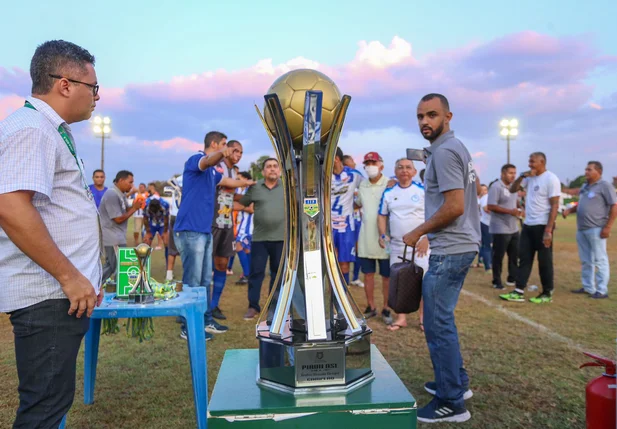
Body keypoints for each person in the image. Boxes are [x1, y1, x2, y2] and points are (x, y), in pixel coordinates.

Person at [0, 40, 103, 428]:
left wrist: (87, 276)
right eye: (92, 88)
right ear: (64, 84)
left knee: (51, 402)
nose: (97, 97)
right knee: (43, 409)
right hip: (47, 296)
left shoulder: (48, 130)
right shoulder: (32, 129)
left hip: (61, 293)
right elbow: (10, 205)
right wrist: (70, 276)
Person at [402, 93, 479, 423]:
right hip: (460, 245)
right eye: (420, 116)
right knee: (442, 320)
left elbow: (454, 206)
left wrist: (417, 231)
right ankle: (456, 383)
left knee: (436, 323)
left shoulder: (446, 151)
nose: (424, 122)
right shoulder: (451, 148)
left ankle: (451, 402)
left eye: (431, 115)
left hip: (451, 248)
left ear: (448, 116)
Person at [173, 131, 253, 340]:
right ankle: (187, 325)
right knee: (192, 279)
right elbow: (208, 160)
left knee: (204, 279)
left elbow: (227, 181)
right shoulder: (196, 160)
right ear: (215, 144)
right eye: (225, 144)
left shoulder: (213, 173)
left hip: (204, 230)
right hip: (190, 230)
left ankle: (204, 319)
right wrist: (222, 153)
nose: (227, 149)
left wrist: (247, 184)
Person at [500, 152, 561, 304]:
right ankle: (519, 291)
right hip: (528, 225)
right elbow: (513, 189)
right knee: (524, 259)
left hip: (543, 226)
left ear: (542, 162)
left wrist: (548, 230)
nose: (530, 164)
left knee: (544, 261)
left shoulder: (551, 179)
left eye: (532, 162)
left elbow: (554, 205)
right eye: (529, 161)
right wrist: (522, 176)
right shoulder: (529, 178)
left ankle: (547, 293)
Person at [378, 158, 429, 332]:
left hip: (420, 246)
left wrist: (426, 238)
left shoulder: (422, 191)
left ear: (414, 172)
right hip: (398, 246)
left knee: (422, 281)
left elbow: (434, 215)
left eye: (408, 167)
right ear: (395, 170)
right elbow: (382, 215)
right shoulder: (389, 193)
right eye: (400, 167)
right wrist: (383, 235)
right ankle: (401, 318)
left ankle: (423, 319)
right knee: (399, 281)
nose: (404, 170)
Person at [238, 158, 285, 320]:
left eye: (275, 166)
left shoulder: (288, 188)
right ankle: (253, 306)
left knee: (277, 274)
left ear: (279, 170)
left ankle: (275, 306)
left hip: (281, 239)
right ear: (263, 171)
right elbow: (242, 203)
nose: (272, 169)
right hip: (259, 239)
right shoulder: (255, 187)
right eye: (268, 167)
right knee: (256, 273)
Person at [564, 161, 617, 299]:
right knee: (586, 260)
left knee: (600, 259)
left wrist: (608, 227)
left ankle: (601, 290)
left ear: (598, 171)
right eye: (586, 169)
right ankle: (588, 287)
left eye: (589, 170)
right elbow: (581, 204)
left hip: (597, 228)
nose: (586, 172)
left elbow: (614, 206)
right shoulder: (585, 186)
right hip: (582, 229)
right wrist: (570, 210)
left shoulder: (605, 186)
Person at [211, 140, 245, 320]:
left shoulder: (234, 171)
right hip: (212, 222)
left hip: (227, 223)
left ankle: (213, 305)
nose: (238, 155)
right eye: (236, 151)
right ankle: (195, 305)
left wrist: (254, 196)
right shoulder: (219, 166)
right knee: (202, 267)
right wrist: (246, 183)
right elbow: (222, 186)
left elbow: (232, 194)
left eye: (241, 152)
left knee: (222, 265)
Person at [355, 152, 391, 323]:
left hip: (385, 238)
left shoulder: (390, 184)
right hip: (366, 238)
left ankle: (387, 307)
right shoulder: (362, 185)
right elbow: (358, 204)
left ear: (381, 165)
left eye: (373, 162)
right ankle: (371, 306)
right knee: (368, 274)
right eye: (367, 163)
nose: (370, 166)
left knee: (387, 276)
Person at [99, 170, 141, 283]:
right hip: (112, 237)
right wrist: (135, 208)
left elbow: (125, 210)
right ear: (121, 180)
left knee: (113, 265)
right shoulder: (111, 194)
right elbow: (117, 219)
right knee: (116, 266)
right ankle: (95, 285)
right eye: (130, 182)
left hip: (118, 236)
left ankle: (95, 285)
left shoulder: (120, 194)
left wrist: (134, 204)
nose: (131, 185)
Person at [331, 147, 363, 285]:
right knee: (331, 263)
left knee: (344, 264)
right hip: (328, 225)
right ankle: (330, 294)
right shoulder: (322, 177)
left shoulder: (354, 175)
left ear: (336, 158)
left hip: (347, 225)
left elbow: (368, 189)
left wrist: (357, 205)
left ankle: (343, 296)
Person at [487, 164, 520, 290]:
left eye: (514, 173)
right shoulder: (496, 187)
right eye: (510, 173)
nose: (513, 175)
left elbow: (513, 202)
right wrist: (510, 211)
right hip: (500, 227)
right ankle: (497, 280)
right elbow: (491, 206)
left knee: (514, 255)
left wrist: (519, 209)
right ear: (503, 174)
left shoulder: (514, 187)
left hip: (513, 227)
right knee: (498, 256)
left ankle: (512, 278)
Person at [343, 154, 364, 287]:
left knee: (356, 248)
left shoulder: (357, 176)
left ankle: (355, 277)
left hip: (356, 217)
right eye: (352, 160)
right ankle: (349, 278)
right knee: (351, 249)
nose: (354, 163)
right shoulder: (348, 177)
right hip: (348, 218)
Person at [234, 172, 254, 285]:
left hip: (248, 226)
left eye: (239, 179)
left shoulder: (249, 191)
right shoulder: (240, 191)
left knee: (239, 246)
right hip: (242, 225)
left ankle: (247, 274)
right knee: (246, 249)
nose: (237, 181)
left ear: (246, 179)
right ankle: (249, 273)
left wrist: (237, 206)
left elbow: (252, 209)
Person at [165, 175, 182, 281]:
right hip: (184, 216)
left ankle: (169, 273)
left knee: (172, 246)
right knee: (189, 246)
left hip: (174, 215)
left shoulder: (177, 179)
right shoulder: (191, 177)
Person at [478, 184, 492, 273]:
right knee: (487, 245)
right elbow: (486, 209)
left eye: (485, 190)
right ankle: (488, 266)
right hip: (485, 224)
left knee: (486, 245)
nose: (484, 191)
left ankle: (483, 261)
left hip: (490, 224)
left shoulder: (487, 197)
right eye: (482, 189)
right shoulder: (485, 198)